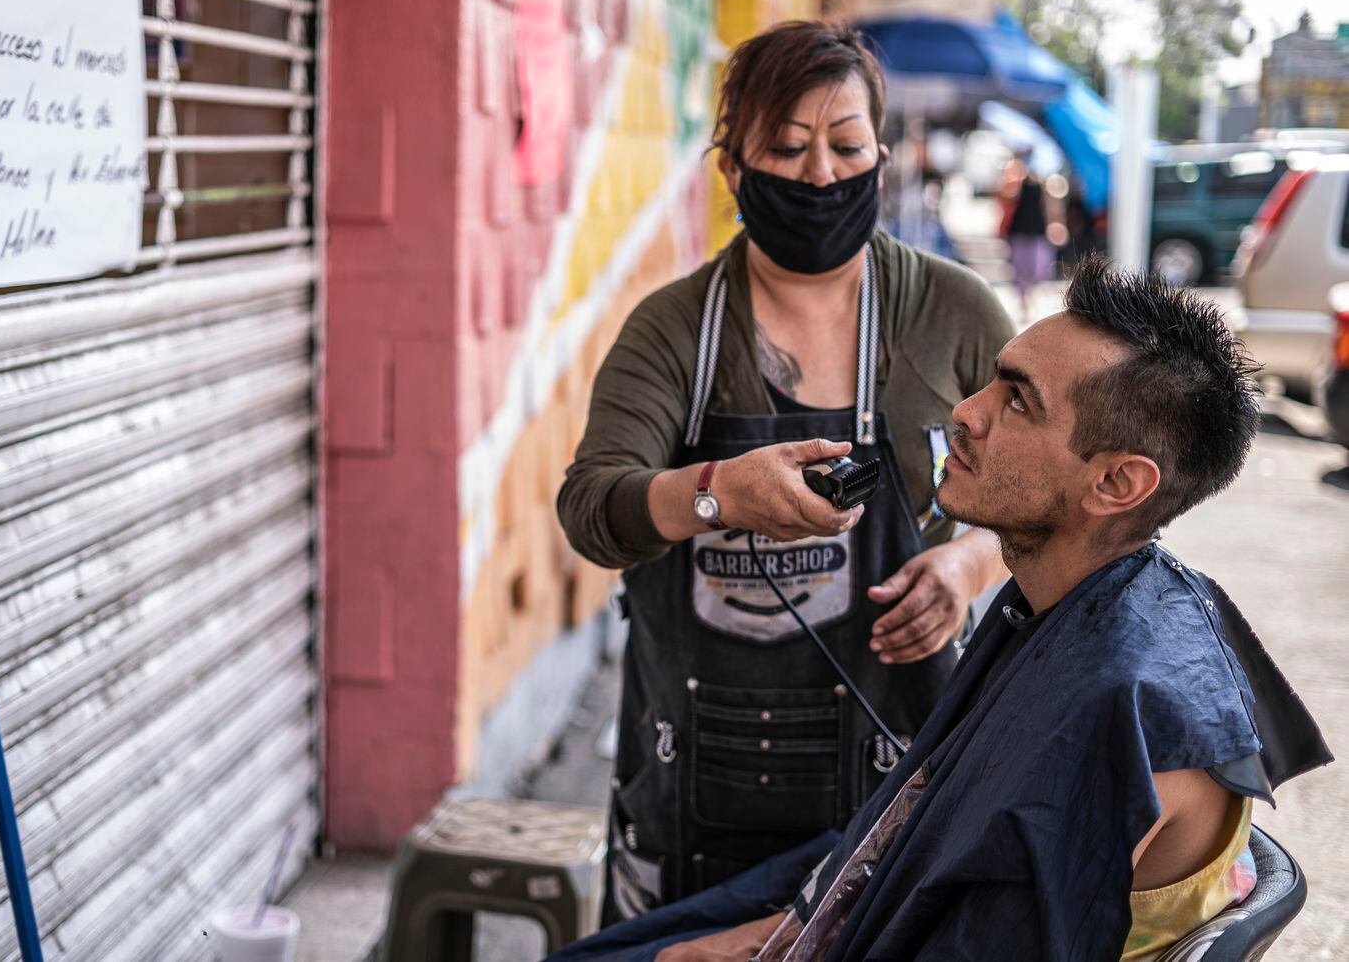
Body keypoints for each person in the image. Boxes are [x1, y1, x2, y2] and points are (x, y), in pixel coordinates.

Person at [547, 259, 1330, 962]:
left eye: (1018, 402)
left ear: (1118, 485)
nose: (964, 409)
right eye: (994, 378)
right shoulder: (1071, 597)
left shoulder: (1118, 715)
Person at [556, 20, 1014, 922]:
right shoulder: (673, 329)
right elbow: (590, 508)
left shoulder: (955, 314)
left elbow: (1040, 497)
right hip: (693, 790)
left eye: (846, 146)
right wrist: (718, 493)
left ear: (883, 154)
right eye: (788, 147)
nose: (819, 176)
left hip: (896, 786)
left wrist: (967, 566)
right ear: (733, 167)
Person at [1000, 149, 1060, 321]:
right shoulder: (1016, 181)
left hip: (1038, 232)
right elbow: (1006, 196)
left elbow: (1051, 207)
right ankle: (1024, 302)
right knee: (1019, 269)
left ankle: (1030, 297)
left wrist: (1055, 226)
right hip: (1018, 231)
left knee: (1038, 268)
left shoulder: (1046, 184)